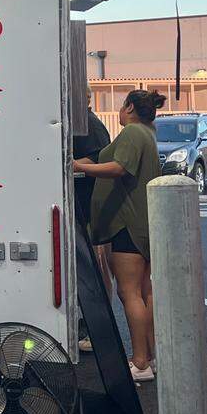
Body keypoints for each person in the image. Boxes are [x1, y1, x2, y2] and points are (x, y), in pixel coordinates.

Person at [73, 90, 166, 382]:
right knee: (144, 290)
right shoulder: (146, 133)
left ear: (129, 107)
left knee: (130, 293)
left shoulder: (132, 134)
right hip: (143, 222)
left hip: (128, 224)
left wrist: (76, 167)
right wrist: (85, 163)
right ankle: (151, 357)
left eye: (121, 106)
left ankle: (139, 361)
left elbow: (117, 167)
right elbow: (104, 157)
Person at [72, 103, 111, 353]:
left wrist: (72, 164)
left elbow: (99, 156)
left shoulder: (90, 125)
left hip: (89, 210)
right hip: (85, 208)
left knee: (95, 269)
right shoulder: (83, 122)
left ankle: (98, 330)